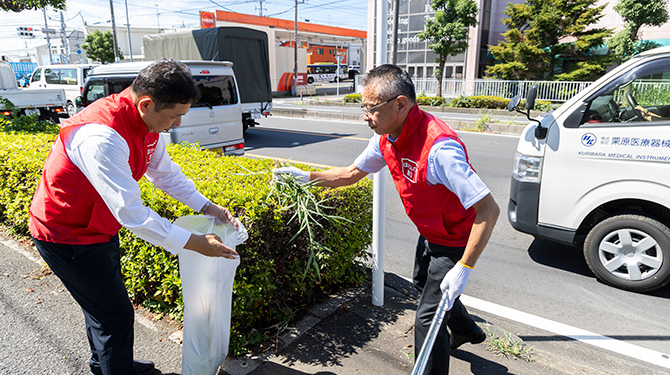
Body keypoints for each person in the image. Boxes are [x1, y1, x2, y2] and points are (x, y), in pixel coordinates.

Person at [274, 64, 500, 374]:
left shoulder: (439, 149)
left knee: (427, 320)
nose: (365, 115)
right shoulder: (386, 137)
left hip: (457, 238)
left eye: (370, 108)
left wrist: (464, 267)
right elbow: (351, 174)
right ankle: (467, 331)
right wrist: (305, 178)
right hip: (431, 232)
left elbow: (488, 209)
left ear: (400, 104)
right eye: (362, 107)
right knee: (423, 283)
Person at [29, 58, 239, 375]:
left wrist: (207, 207)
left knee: (101, 308)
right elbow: (132, 214)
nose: (178, 124)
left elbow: (165, 174)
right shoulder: (101, 137)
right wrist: (195, 242)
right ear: (146, 103)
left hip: (97, 228)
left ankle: (109, 364)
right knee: (114, 315)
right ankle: (116, 368)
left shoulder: (145, 122)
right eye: (175, 116)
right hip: (67, 235)